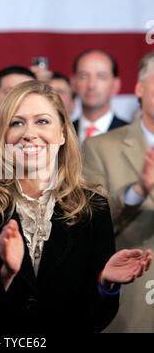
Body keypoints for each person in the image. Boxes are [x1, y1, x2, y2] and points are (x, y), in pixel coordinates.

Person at [0, 80, 151, 337]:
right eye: (17, 122)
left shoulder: (93, 207)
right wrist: (6, 275)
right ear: (4, 137)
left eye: (42, 121)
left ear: (62, 133)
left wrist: (105, 284)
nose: (29, 133)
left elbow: (94, 321)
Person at [81, 50, 154, 333]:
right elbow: (91, 225)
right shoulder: (99, 148)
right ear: (139, 88)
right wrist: (138, 190)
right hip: (134, 307)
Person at [71, 49, 127, 144]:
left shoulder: (132, 136)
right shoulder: (62, 133)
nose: (91, 85)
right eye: (84, 76)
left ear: (115, 85)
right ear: (73, 83)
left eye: (101, 77)